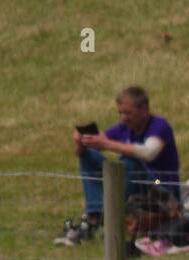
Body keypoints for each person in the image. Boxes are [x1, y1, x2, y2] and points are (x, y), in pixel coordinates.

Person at [56, 86, 181, 245]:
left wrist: (107, 144)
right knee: (89, 156)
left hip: (159, 184)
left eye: (128, 113)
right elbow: (97, 143)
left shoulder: (159, 125)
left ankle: (104, 216)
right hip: (137, 185)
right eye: (120, 112)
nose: (123, 118)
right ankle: (95, 214)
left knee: (129, 162)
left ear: (144, 109)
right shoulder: (124, 129)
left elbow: (149, 153)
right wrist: (82, 142)